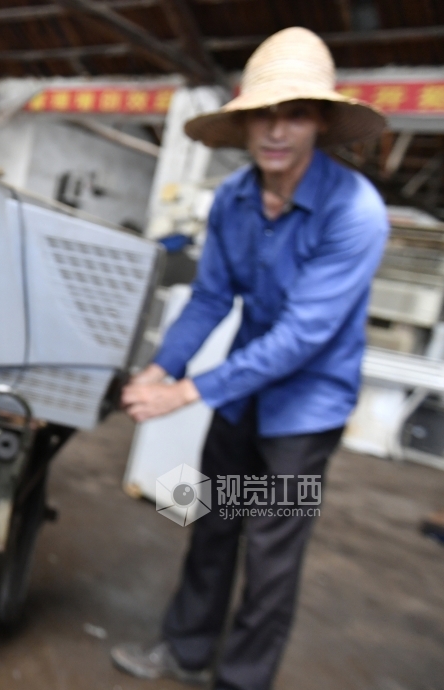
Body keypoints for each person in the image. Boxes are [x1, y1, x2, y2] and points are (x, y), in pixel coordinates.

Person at [111, 27, 389, 690]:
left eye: (294, 113)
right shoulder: (234, 198)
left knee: (271, 549)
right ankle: (184, 650)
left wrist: (185, 393)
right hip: (241, 395)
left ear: (320, 121)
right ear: (244, 124)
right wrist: (161, 367)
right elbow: (210, 299)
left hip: (306, 409)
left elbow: (301, 339)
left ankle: (240, 681)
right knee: (212, 518)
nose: (276, 130)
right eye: (264, 113)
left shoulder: (357, 213)